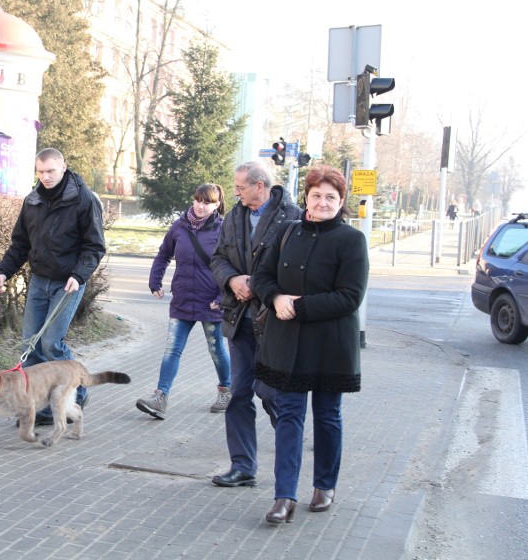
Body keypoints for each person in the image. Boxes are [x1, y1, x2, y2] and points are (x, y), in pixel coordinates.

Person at [249, 165, 369, 524]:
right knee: (289, 416)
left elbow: (350, 296)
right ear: (307, 197)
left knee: (328, 415)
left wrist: (298, 306)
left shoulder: (351, 240)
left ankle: (324, 485)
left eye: (331, 197)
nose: (322, 202)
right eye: (317, 195)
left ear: (341, 201)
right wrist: (275, 298)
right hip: (287, 343)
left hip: (330, 344)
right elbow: (262, 276)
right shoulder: (289, 232)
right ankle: (284, 496)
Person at [0, 148, 106, 425]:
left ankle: (76, 393)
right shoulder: (33, 201)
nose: (45, 177)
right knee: (31, 347)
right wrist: (4, 271)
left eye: (51, 171)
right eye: (41, 172)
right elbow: (20, 243)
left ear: (64, 167)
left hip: (68, 283)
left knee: (51, 344)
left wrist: (79, 276)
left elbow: (94, 247)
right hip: (39, 281)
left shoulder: (84, 201)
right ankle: (41, 409)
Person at [209, 162, 303, 488]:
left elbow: (298, 270)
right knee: (239, 395)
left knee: (271, 393)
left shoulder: (291, 216)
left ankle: (291, 455)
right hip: (239, 320)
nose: (235, 192)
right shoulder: (234, 217)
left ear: (260, 186)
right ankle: (242, 466)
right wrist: (232, 279)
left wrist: (264, 288)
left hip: (275, 323)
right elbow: (218, 258)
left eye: (240, 187)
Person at [136, 184, 232, 420]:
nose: (201, 206)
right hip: (182, 300)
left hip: (211, 302)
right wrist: (155, 281)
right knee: (172, 350)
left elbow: (233, 267)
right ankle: (160, 397)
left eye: (207, 202)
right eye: (198, 200)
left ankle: (226, 390)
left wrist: (222, 297)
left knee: (216, 349)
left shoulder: (223, 230)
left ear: (217, 204)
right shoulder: (180, 226)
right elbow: (163, 254)